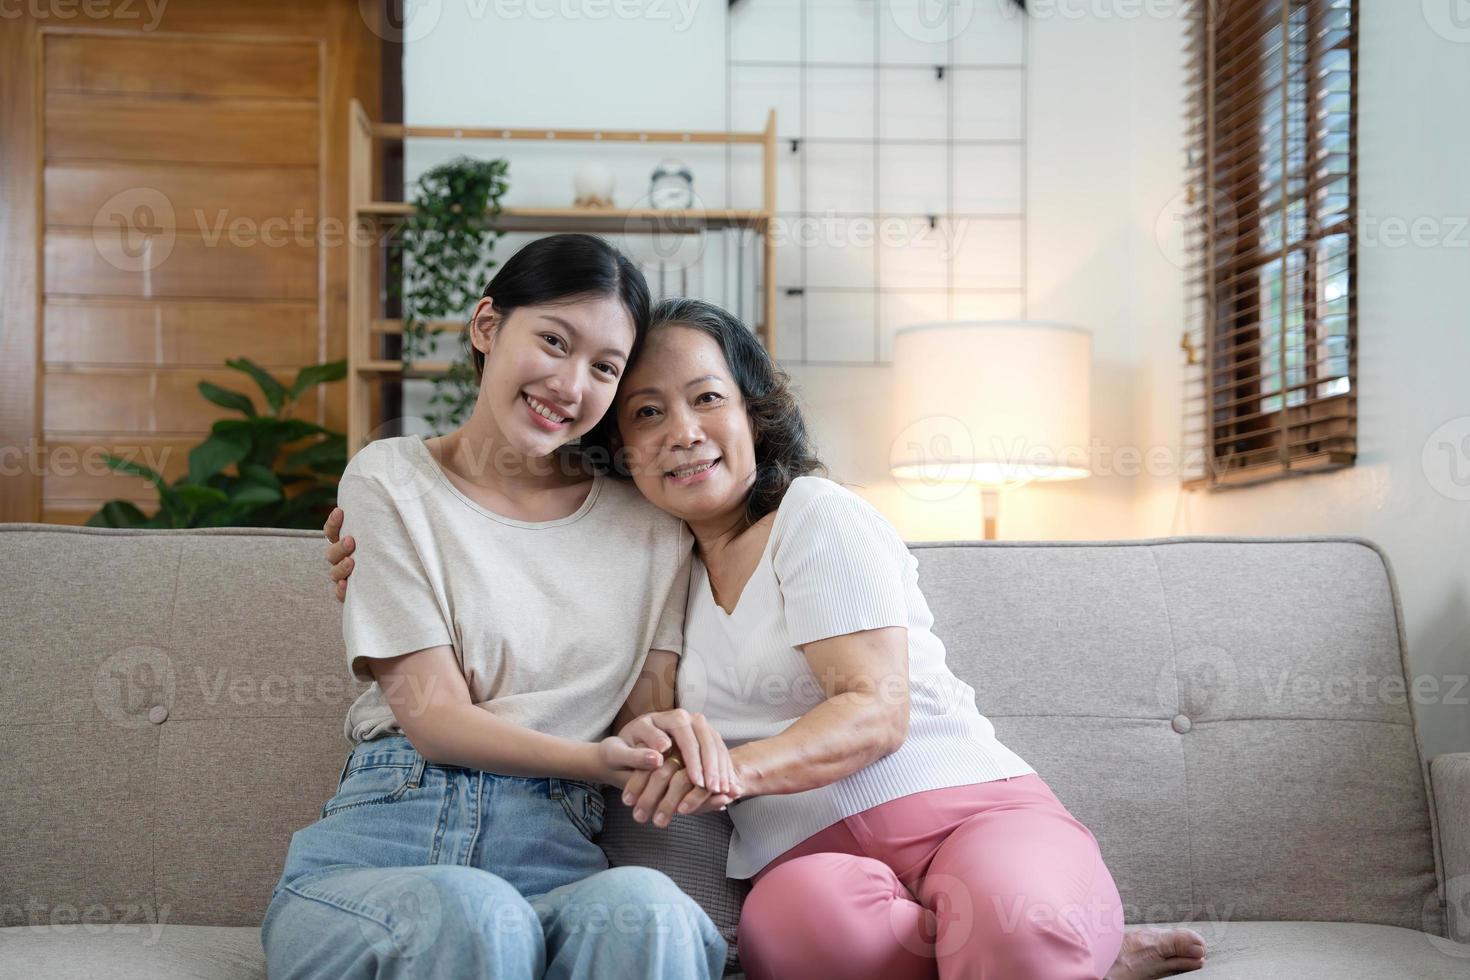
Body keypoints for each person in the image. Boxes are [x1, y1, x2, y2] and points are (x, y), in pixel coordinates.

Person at [327, 295, 1209, 979]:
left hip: (960, 809)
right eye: (643, 414)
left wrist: (729, 772)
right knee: (789, 940)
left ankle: (1051, 941)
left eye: (707, 398)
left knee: (1017, 919)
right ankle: (1072, 956)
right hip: (806, 857)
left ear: (753, 412)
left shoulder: (815, 517)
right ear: (618, 452)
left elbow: (874, 710)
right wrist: (383, 550)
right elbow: (632, 701)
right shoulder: (655, 557)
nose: (683, 433)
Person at [262, 235, 731, 980]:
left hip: (558, 860)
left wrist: (657, 741)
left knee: (653, 909)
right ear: (487, 326)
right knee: (477, 913)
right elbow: (437, 721)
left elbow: (639, 716)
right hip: (386, 856)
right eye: (553, 340)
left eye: (605, 368)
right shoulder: (389, 481)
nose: (572, 385)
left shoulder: (652, 527)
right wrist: (596, 761)